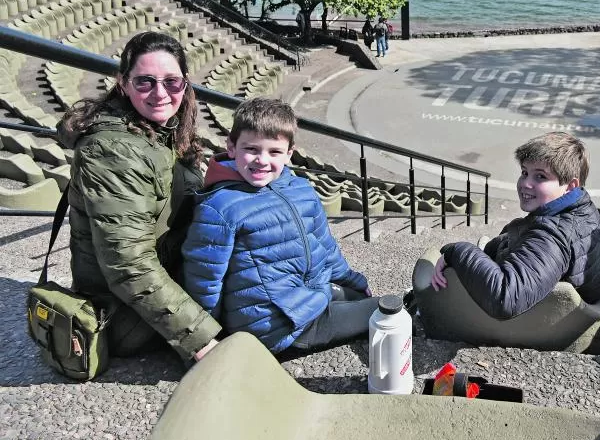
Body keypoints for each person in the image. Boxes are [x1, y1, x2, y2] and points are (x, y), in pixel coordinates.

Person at [57, 31, 221, 364]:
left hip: (166, 277)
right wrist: (203, 341)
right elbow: (128, 263)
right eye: (145, 82)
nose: (161, 93)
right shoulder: (112, 152)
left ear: (185, 84)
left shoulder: (162, 131)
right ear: (123, 83)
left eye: (172, 82)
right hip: (124, 317)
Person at [181, 98, 378, 354]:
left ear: (289, 153)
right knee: (388, 309)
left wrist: (353, 280)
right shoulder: (219, 206)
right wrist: (206, 341)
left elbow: (325, 247)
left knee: (363, 298)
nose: (262, 160)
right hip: (278, 327)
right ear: (231, 147)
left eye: (274, 152)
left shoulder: (300, 188)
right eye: (251, 149)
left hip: (306, 297)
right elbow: (205, 280)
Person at [430, 132, 600, 321]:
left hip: (532, 325)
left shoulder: (551, 237)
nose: (525, 183)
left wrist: (456, 251)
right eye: (525, 172)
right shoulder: (584, 207)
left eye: (540, 177)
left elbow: (505, 298)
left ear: (570, 186)